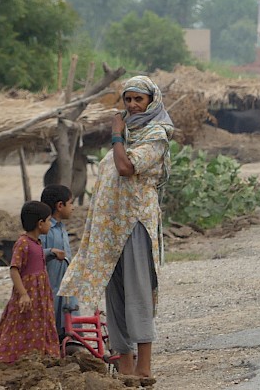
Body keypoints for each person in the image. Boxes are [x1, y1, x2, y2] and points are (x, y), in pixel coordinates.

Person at [59, 75, 174, 379]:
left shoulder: (156, 134)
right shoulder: (127, 133)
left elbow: (126, 168)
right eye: (128, 99)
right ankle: (125, 367)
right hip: (111, 227)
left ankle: (144, 368)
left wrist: (116, 135)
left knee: (138, 292)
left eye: (139, 99)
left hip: (135, 222)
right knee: (115, 297)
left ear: (152, 101)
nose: (133, 105)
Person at [0, 201, 59, 363]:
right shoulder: (22, 243)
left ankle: (40, 356)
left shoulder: (37, 243)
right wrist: (23, 294)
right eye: (48, 221)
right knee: (20, 324)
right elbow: (14, 269)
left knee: (39, 324)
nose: (50, 224)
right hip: (28, 295)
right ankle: (10, 358)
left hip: (40, 297)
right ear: (40, 223)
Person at [40, 184, 78, 340]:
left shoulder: (61, 228)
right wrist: (50, 252)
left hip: (65, 284)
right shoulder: (45, 230)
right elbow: (34, 254)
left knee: (68, 321)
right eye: (71, 203)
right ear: (60, 206)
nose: (73, 207)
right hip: (52, 286)